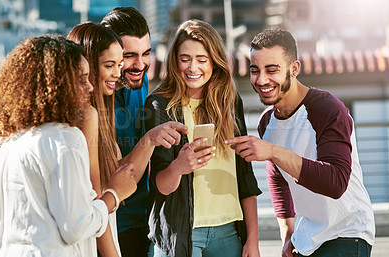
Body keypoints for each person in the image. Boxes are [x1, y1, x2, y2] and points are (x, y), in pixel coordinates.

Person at [225, 28, 375, 257]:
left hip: (348, 232)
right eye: (255, 70)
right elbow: (277, 178)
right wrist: (288, 232)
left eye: (272, 70)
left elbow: (335, 182)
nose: (261, 79)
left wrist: (274, 151)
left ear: (294, 69)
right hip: (307, 237)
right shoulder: (267, 122)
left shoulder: (328, 109)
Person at [0, 35, 137, 256]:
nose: (89, 87)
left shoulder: (3, 140)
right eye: (81, 79)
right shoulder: (64, 140)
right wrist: (114, 194)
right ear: (54, 84)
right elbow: (76, 226)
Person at [67, 22, 187, 257]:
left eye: (119, 64)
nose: (121, 71)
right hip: (106, 235)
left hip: (131, 227)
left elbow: (118, 171)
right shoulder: (88, 115)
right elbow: (99, 201)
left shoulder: (124, 93)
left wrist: (151, 139)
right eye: (111, 64)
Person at [144, 19, 262, 257]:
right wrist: (179, 167)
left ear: (214, 62)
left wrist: (253, 239)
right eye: (185, 59)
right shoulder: (159, 105)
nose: (192, 68)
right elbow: (160, 186)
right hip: (180, 233)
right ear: (175, 60)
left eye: (201, 59)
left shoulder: (229, 102)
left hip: (229, 232)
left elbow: (245, 175)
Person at [100, 7, 153, 256]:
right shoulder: (95, 102)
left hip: (149, 223)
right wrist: (150, 140)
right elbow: (109, 174)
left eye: (146, 54)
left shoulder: (141, 83)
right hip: (112, 228)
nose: (140, 65)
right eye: (130, 55)